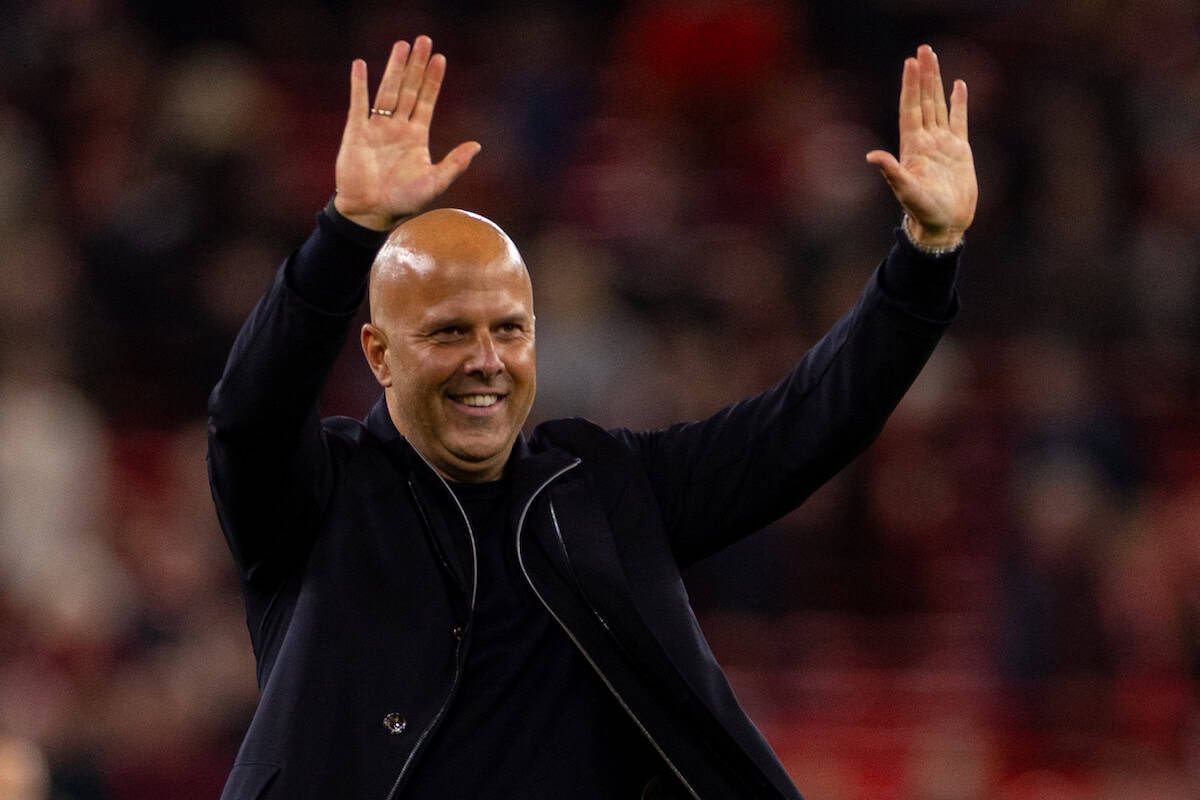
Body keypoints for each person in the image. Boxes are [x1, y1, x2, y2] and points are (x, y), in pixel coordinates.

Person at [207, 34, 976, 800]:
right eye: (449, 333)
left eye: (510, 330)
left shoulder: (605, 489)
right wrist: (346, 234)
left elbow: (805, 427)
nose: (487, 360)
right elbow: (251, 412)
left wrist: (927, 254)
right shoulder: (315, 499)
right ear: (379, 355)